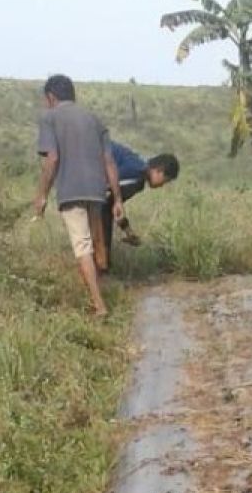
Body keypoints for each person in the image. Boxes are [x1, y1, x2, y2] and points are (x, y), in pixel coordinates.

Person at [33, 75, 124, 317]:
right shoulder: (95, 119)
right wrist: (117, 199)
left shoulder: (49, 117)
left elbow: (52, 158)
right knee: (95, 244)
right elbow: (109, 161)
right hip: (97, 191)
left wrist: (41, 195)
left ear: (51, 97)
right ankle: (101, 288)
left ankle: (99, 306)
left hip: (70, 193)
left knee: (82, 247)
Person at [97, 141, 180, 272]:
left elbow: (112, 205)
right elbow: (102, 190)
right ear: (159, 171)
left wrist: (128, 231)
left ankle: (102, 264)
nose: (162, 185)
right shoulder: (137, 173)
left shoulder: (139, 172)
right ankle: (101, 265)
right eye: (166, 180)